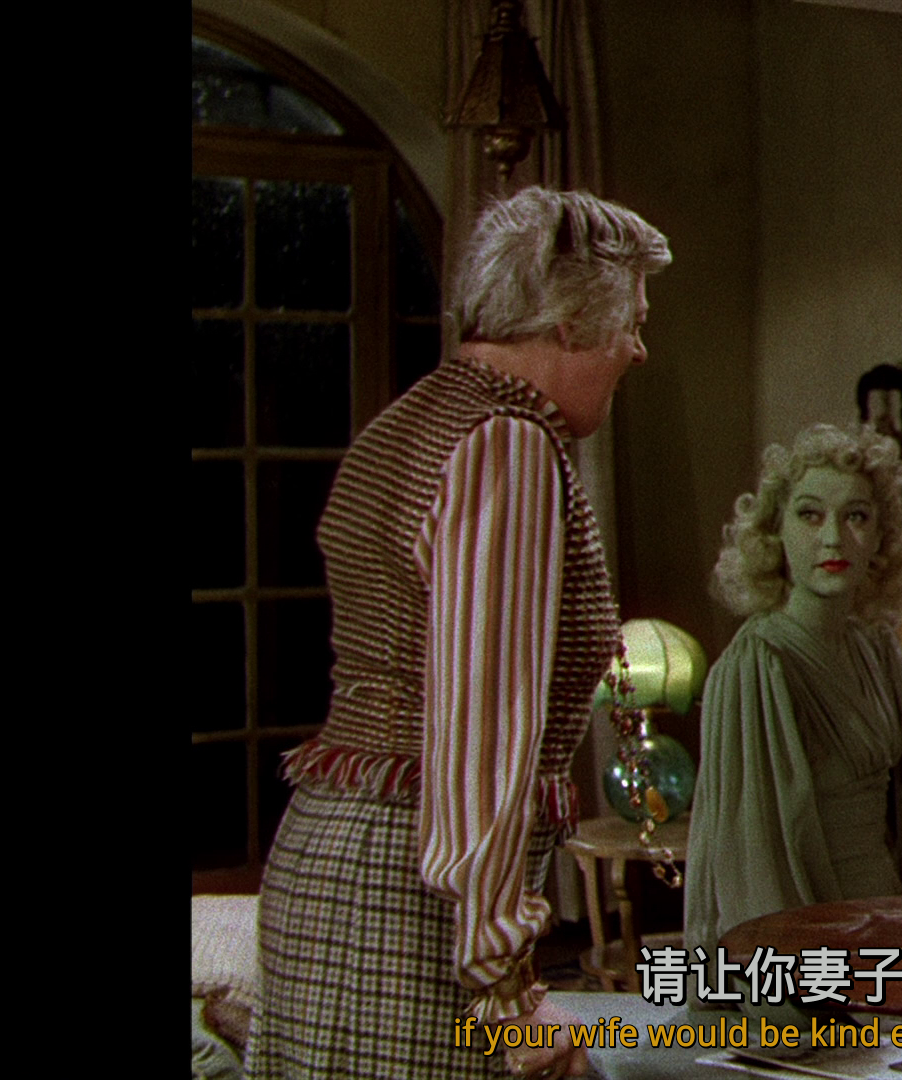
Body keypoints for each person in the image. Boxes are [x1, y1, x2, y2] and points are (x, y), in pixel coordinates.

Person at [245, 187, 671, 1080]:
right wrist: (503, 981)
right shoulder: (507, 443)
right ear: (568, 324)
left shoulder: (407, 421)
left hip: (338, 863)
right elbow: (479, 732)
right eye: (630, 323)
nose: (638, 348)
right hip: (406, 904)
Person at [685, 424, 902, 1000]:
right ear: (775, 532)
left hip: (889, 918)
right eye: (809, 515)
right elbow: (754, 870)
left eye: (856, 517)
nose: (833, 538)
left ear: (879, 538)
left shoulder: (875, 648)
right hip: (813, 939)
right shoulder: (755, 667)